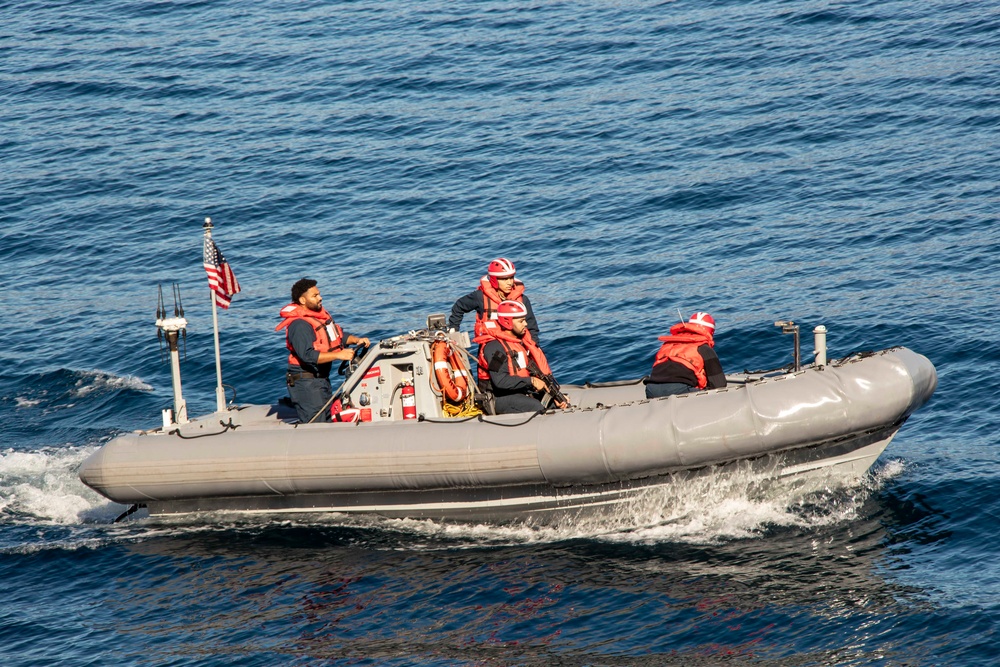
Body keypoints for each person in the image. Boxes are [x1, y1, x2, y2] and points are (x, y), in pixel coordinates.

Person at [275, 278, 370, 423]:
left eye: (319, 294)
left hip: (320, 381)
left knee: (326, 418)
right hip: (306, 383)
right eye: (315, 296)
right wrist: (339, 355)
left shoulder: (318, 317)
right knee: (317, 424)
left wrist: (356, 340)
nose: (320, 298)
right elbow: (307, 355)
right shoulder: (299, 325)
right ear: (302, 300)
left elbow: (336, 337)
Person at [474, 300, 566, 414]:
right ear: (508, 322)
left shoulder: (518, 343)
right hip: (496, 398)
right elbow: (500, 381)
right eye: (521, 321)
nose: (526, 324)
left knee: (552, 403)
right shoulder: (495, 349)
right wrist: (530, 381)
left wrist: (554, 396)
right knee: (537, 407)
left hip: (518, 391)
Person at [449, 257, 541, 342]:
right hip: (492, 347)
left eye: (511, 278)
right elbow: (459, 307)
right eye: (504, 279)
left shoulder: (522, 300)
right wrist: (454, 330)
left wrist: (532, 347)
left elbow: (532, 327)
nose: (510, 283)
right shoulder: (480, 297)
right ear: (494, 280)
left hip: (517, 345)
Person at [645, 311, 727, 399]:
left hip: (651, 390)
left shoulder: (667, 345)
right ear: (711, 332)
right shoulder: (704, 348)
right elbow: (719, 385)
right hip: (679, 390)